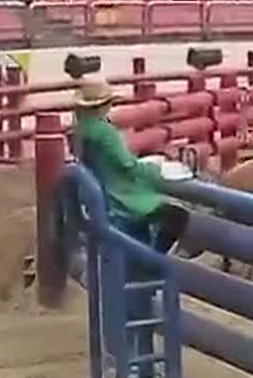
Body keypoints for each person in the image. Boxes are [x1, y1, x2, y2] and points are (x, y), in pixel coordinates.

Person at [71, 77, 188, 255]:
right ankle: (154, 259)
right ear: (103, 105)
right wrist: (157, 168)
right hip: (119, 196)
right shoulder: (104, 132)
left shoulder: (80, 129)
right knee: (176, 214)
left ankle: (146, 260)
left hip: (99, 192)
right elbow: (127, 165)